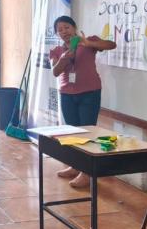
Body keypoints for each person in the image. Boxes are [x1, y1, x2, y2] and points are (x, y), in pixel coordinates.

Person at [49, 15, 117, 188]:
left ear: (74, 27)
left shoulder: (89, 42)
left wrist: (89, 44)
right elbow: (55, 71)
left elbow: (111, 45)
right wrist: (64, 57)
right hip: (67, 94)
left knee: (87, 131)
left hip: (89, 93)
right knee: (72, 133)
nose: (64, 32)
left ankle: (86, 173)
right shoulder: (56, 50)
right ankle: (76, 165)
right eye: (60, 30)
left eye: (66, 27)